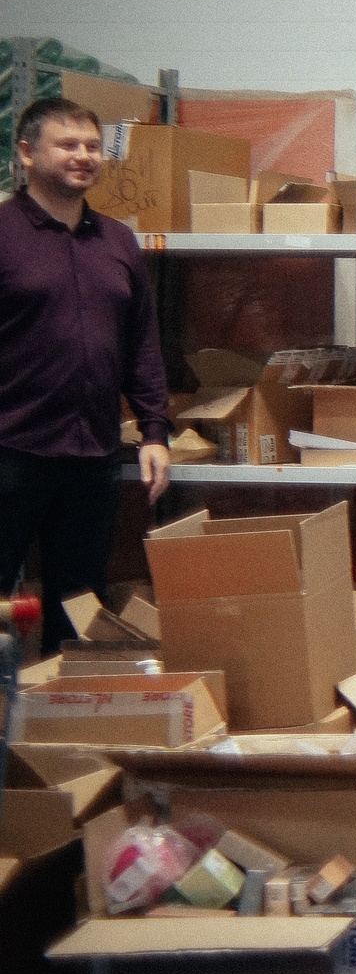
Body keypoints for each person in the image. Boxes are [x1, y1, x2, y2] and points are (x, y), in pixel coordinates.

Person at [1, 97, 171, 652]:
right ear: (26, 153)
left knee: (79, 606)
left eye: (92, 146)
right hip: (11, 450)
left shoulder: (118, 241)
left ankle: (61, 728)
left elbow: (141, 343)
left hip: (92, 455)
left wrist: (153, 431)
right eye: (67, 145)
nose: (83, 156)